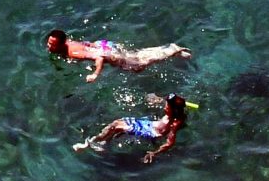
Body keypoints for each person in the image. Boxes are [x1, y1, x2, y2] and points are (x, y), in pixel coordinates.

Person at [74, 94, 187, 164]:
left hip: (150, 132)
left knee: (117, 126)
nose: (165, 107)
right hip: (148, 124)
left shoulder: (175, 123)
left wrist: (154, 153)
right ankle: (104, 142)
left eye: (167, 106)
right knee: (117, 123)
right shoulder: (173, 112)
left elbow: (170, 143)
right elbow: (168, 101)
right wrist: (158, 99)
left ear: (174, 110)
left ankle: (88, 144)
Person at [45, 30, 190, 83]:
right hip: (104, 44)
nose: (49, 45)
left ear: (62, 43)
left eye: (53, 44)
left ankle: (172, 50)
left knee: (139, 64)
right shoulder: (68, 42)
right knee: (135, 56)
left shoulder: (73, 52)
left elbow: (99, 57)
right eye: (49, 42)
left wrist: (95, 74)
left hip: (107, 53)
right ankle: (170, 50)